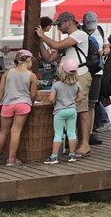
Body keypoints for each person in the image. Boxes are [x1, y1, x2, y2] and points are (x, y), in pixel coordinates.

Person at [36, 11, 92, 156]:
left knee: (81, 110)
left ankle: (85, 144)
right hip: (65, 78)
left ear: (69, 22)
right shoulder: (67, 42)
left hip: (79, 75)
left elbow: (56, 44)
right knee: (72, 110)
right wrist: (40, 42)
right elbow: (48, 58)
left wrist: (43, 35)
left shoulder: (80, 35)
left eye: (59, 25)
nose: (59, 28)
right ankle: (75, 142)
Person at [0, 49, 38, 166]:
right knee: (16, 131)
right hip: (23, 104)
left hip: (7, 104)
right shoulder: (32, 76)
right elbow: (33, 94)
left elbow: (0, 90)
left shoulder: (8, 72)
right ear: (28, 60)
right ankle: (11, 159)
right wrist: (31, 102)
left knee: (3, 132)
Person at [45, 59, 82, 164]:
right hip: (72, 110)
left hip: (60, 111)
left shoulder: (57, 85)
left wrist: (56, 102)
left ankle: (54, 156)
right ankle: (72, 155)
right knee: (71, 132)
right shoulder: (77, 84)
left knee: (58, 134)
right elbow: (80, 98)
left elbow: (51, 99)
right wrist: (72, 101)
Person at [82, 12, 106, 146]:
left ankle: (89, 133)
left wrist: (104, 50)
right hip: (83, 70)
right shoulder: (79, 33)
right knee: (80, 102)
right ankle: (80, 132)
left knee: (92, 102)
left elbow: (107, 45)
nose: (90, 27)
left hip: (97, 71)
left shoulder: (100, 30)